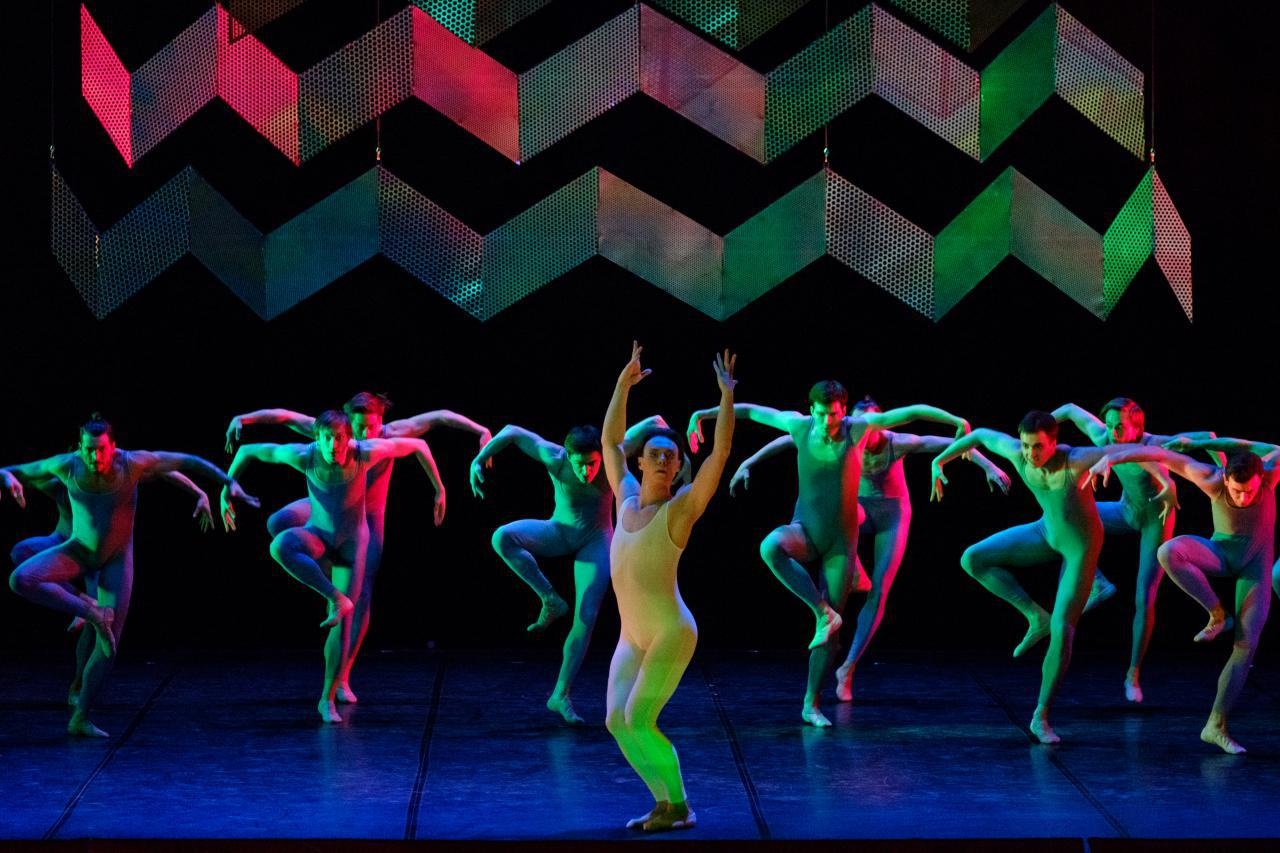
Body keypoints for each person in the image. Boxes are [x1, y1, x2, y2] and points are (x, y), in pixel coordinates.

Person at [687, 383, 972, 727]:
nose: (828, 421)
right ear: (811, 410)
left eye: (834, 414)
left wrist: (956, 421)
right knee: (770, 547)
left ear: (843, 410)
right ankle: (822, 612)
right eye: (822, 414)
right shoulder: (798, 425)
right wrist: (704, 413)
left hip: (841, 546)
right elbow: (750, 411)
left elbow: (912, 412)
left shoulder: (858, 429)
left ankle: (811, 703)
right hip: (805, 531)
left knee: (831, 637)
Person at [730, 396, 1011, 703]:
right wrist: (748, 461)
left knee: (880, 589)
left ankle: (848, 666)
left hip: (892, 514)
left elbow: (949, 442)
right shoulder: (846, 436)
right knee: (839, 511)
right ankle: (853, 572)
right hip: (858, 510)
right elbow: (787, 440)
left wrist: (988, 465)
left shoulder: (896, 442)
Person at [1, 414, 255, 737]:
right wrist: (5, 477)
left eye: (101, 450)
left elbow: (184, 462)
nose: (95, 458)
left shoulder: (132, 464)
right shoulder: (66, 467)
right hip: (77, 550)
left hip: (116, 561)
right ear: (79, 448)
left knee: (108, 645)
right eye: (89, 450)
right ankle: (91, 611)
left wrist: (224, 483)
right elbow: (19, 470)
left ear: (114, 447)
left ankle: (80, 716)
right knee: (20, 578)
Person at [225, 393, 486, 702]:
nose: (363, 433)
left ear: (381, 422)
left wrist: (480, 432)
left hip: (366, 520)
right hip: (327, 508)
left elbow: (440, 416)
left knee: (360, 598)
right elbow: (285, 416)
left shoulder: (387, 438)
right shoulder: (335, 436)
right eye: (357, 427)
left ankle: (343, 676)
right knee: (278, 522)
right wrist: (243, 418)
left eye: (369, 426)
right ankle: (327, 578)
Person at [469, 416, 687, 724]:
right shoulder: (554, 457)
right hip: (560, 530)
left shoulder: (614, 452)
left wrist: (682, 459)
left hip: (596, 539)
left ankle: (560, 694)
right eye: (580, 465)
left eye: (593, 464)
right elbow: (511, 432)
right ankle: (550, 599)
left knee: (585, 617)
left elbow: (657, 421)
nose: (587, 472)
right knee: (502, 537)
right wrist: (480, 458)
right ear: (567, 456)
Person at [603, 343, 735, 833]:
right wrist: (623, 385)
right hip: (631, 634)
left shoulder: (679, 511)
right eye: (654, 454)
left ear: (678, 467)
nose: (661, 459)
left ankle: (680, 806)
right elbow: (610, 443)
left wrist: (725, 397)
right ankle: (663, 803)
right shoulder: (625, 498)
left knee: (640, 719)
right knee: (617, 722)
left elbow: (719, 454)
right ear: (640, 462)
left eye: (670, 456)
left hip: (671, 632)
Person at [931, 411, 1123, 744]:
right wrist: (939, 461)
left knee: (1063, 631)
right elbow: (980, 434)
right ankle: (1035, 616)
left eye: (1038, 447)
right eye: (1025, 445)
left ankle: (1041, 716)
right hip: (1046, 532)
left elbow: (1137, 450)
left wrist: (1164, 479)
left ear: (1054, 443)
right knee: (973, 559)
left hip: (1080, 548)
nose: (1030, 453)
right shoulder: (1018, 453)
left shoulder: (1075, 459)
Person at [1085, 436, 1279, 753]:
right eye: (1237, 491)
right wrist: (1111, 458)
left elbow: (1274, 450)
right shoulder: (1210, 479)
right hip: (1221, 554)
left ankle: (1215, 725)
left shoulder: (1270, 475)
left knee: (1246, 645)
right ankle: (1217, 613)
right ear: (1225, 478)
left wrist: (1223, 443)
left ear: (1261, 480)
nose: (1244, 498)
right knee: (1168, 551)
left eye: (1250, 492)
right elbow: (1156, 453)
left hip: (1255, 569)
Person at [1051, 398, 1213, 703]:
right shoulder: (1104, 437)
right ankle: (1096, 583)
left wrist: (1220, 467)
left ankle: (1133, 673)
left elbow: (1208, 438)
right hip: (1126, 511)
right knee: (1067, 518)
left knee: (1144, 597)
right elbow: (1070, 410)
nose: (1113, 431)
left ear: (1137, 427)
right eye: (1109, 424)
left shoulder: (1154, 443)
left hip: (1156, 520)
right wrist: (1041, 430)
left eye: (1120, 426)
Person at [10, 470, 214, 708]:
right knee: (21, 552)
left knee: (95, 625)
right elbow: (22, 474)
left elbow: (164, 470)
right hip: (63, 544)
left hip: (96, 554)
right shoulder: (57, 483)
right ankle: (83, 602)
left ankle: (78, 683)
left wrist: (199, 493)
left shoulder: (112, 481)